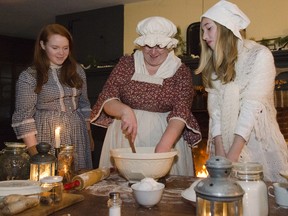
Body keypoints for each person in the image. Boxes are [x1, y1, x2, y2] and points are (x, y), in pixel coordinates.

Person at [90, 16, 202, 176]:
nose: (153, 52)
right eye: (148, 46)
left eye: (159, 46)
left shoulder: (180, 71)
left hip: (165, 136)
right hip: (124, 137)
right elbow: (107, 98)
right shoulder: (127, 64)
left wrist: (162, 150)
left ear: (169, 45)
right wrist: (124, 111)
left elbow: (181, 112)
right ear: (141, 44)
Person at [196, 0, 288, 182]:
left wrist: (232, 158)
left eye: (208, 29)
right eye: (203, 31)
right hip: (225, 147)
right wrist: (221, 155)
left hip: (257, 145)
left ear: (225, 27)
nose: (205, 37)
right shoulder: (215, 65)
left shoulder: (259, 56)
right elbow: (215, 113)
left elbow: (251, 109)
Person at [12, 24, 93, 171]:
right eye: (55, 48)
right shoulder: (29, 76)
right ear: (43, 45)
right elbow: (24, 118)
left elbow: (84, 104)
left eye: (65, 48)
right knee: (51, 178)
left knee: (79, 179)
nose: (61, 53)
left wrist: (89, 135)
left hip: (77, 132)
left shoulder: (78, 70)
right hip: (46, 133)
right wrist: (35, 154)